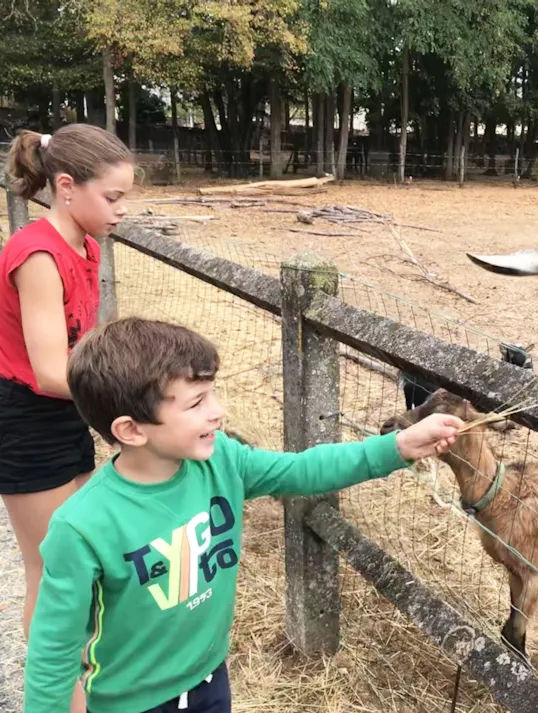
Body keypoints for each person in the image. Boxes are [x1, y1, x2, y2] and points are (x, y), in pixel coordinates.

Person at [23, 317, 462, 713]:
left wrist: (397, 447)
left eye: (211, 394)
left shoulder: (221, 462)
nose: (217, 411)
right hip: (130, 703)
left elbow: (301, 470)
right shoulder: (81, 526)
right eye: (195, 403)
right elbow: (54, 650)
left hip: (211, 680)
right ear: (131, 429)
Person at [0, 124, 134, 713]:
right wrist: (128, 385)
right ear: (65, 186)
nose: (122, 210)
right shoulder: (36, 254)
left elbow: (85, 341)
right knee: (51, 568)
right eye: (113, 197)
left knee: (82, 558)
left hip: (65, 414)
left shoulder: (85, 244)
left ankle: (88, 682)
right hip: (28, 415)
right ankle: (63, 701)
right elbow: (54, 370)